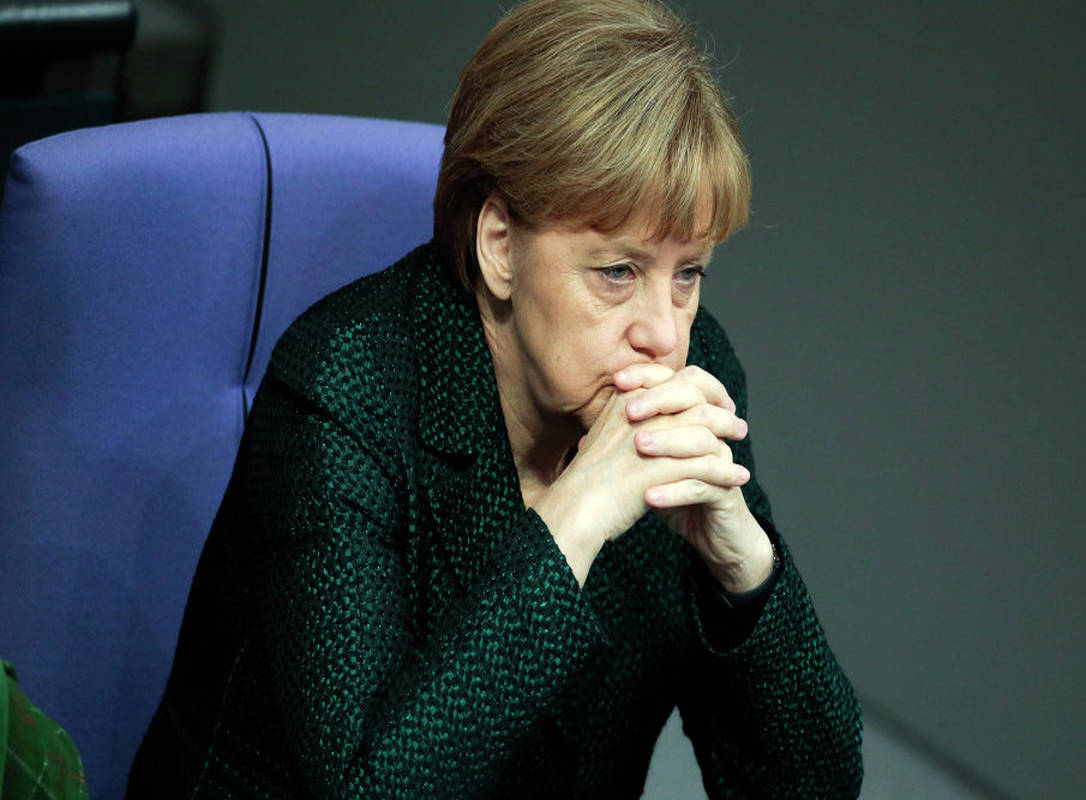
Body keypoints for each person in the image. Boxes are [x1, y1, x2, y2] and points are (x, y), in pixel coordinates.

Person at [127, 0, 863, 796]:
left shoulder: (694, 372)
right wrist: (575, 519)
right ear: (500, 246)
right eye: (618, 272)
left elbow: (811, 788)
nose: (663, 333)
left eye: (687, 274)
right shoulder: (343, 389)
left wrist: (744, 567)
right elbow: (368, 789)